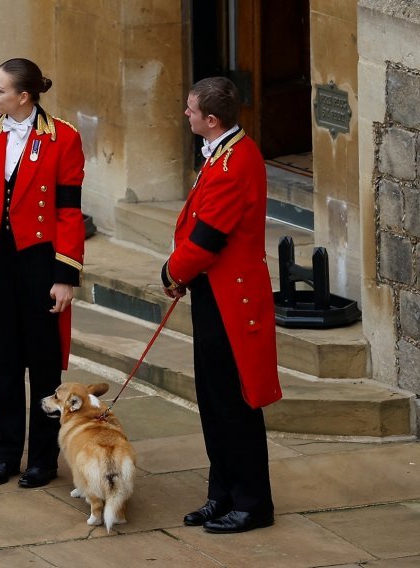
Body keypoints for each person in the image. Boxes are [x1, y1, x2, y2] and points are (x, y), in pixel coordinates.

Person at [0, 58, 86, 488]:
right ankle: (5, 454)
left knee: (44, 365)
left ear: (23, 96)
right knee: (6, 360)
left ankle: (43, 459)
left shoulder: (63, 138)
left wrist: (65, 275)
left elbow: (69, 211)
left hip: (40, 264)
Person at [160, 76, 282, 533]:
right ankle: (223, 492)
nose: (185, 115)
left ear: (210, 120)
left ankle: (252, 502)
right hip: (214, 292)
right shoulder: (223, 151)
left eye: (190, 110)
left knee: (235, 403)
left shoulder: (234, 163)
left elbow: (208, 236)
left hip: (233, 298)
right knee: (213, 400)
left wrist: (172, 273)